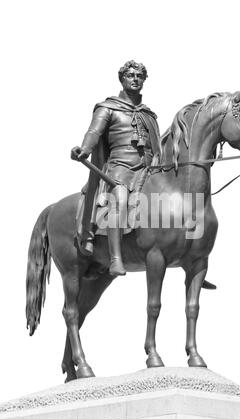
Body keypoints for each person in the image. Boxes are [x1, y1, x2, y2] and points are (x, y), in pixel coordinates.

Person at [71, 60, 161, 276]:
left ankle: (190, 255)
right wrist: (84, 149)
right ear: (122, 79)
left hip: (148, 171)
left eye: (139, 76)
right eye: (130, 75)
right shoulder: (107, 108)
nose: (135, 79)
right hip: (119, 169)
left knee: (179, 198)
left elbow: (158, 145)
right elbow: (93, 133)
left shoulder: (149, 115)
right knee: (119, 198)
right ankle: (115, 259)